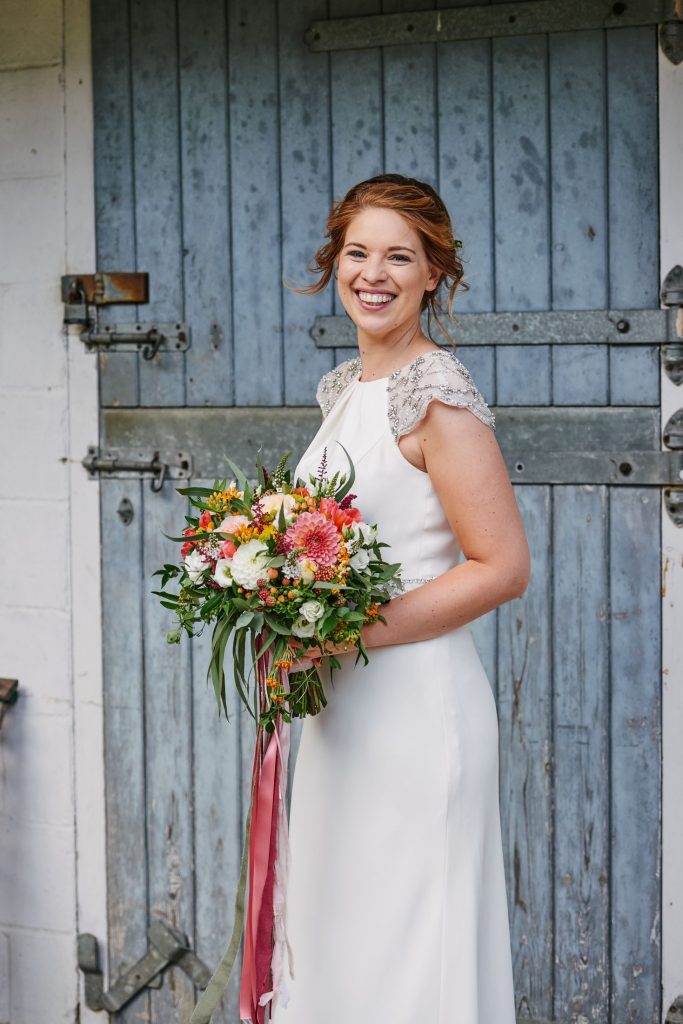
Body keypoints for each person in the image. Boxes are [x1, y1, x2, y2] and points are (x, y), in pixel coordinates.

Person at [273, 173, 530, 1023]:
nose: (371, 273)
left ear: (433, 273)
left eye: (398, 256)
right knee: (339, 947)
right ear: (332, 263)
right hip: (341, 717)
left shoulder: (437, 393)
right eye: (356, 252)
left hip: (417, 717)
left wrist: (347, 638)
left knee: (410, 957)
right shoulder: (346, 389)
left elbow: (500, 566)